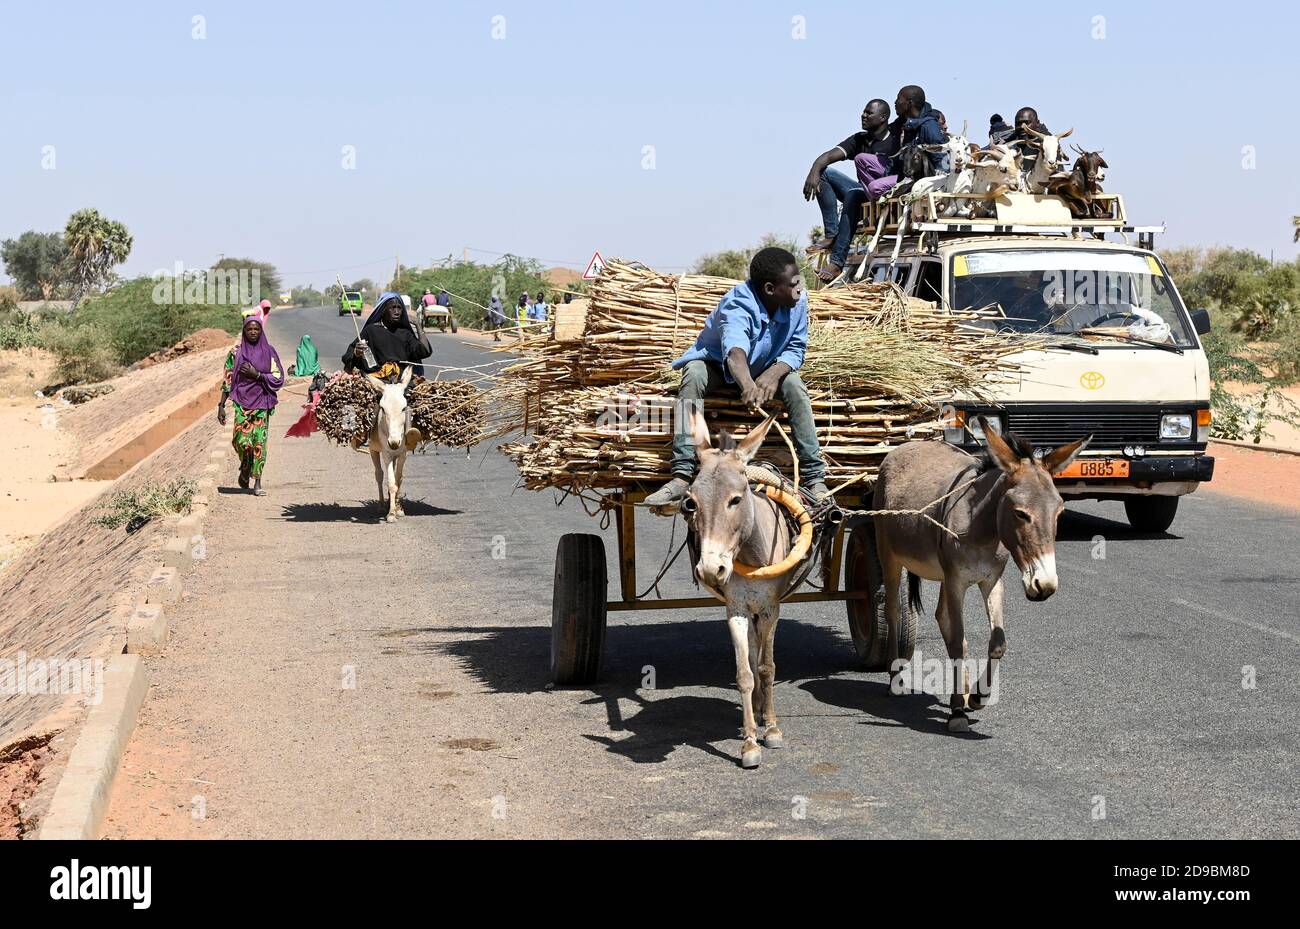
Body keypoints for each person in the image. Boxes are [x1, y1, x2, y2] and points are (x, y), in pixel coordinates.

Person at [644, 247, 829, 506]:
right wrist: (748, 386)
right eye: (794, 283)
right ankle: (682, 475)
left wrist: (774, 373)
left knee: (795, 386)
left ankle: (814, 477)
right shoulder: (738, 304)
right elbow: (735, 353)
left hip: (765, 368)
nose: (800, 287)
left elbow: (796, 348)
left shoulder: (798, 301)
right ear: (769, 289)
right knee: (693, 374)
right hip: (719, 368)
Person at [803, 98, 901, 283]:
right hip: (866, 193)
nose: (863, 115)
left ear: (883, 117)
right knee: (825, 173)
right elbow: (829, 155)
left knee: (853, 195)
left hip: (888, 196)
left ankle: (837, 263)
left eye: (868, 113)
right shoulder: (860, 138)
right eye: (863, 112)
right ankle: (832, 234)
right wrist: (814, 170)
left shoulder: (895, 140)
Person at [218, 315, 284, 495]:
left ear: (261, 331)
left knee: (259, 443)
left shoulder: (269, 352)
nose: (253, 332)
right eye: (249, 329)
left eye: (256, 329)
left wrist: (258, 375)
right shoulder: (235, 354)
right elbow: (228, 380)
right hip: (241, 402)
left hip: (263, 402)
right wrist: (221, 405)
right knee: (241, 441)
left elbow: (279, 378)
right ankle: (245, 466)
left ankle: (257, 482)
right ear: (244, 332)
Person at [852, 84, 947, 206]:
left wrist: (939, 188)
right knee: (861, 159)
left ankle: (884, 206)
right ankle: (879, 203)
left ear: (909, 103)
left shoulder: (928, 126)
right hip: (901, 171)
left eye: (898, 99)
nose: (895, 102)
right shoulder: (906, 121)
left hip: (917, 178)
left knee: (874, 187)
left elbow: (942, 160)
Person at [342, 291, 432, 379]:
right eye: (392, 308)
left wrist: (418, 325)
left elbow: (424, 351)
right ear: (383, 310)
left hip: (401, 382)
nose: (396, 312)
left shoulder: (405, 333)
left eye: (399, 308)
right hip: (377, 380)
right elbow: (348, 356)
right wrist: (357, 352)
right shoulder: (371, 331)